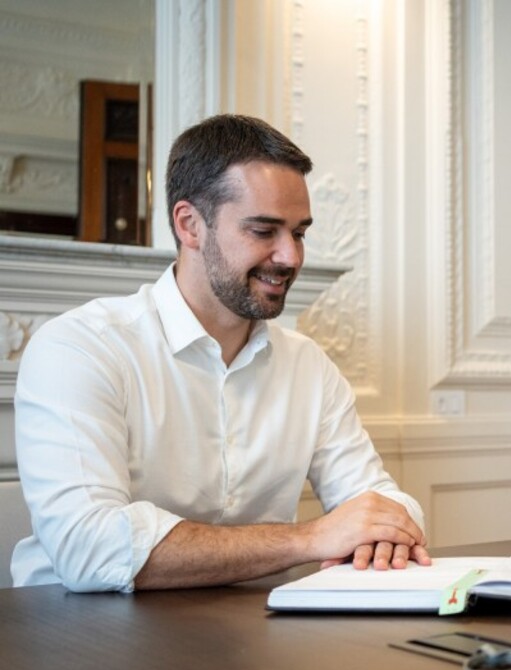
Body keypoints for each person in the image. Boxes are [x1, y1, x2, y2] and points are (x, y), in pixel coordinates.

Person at [12, 114, 429, 592]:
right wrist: (308, 539)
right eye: (263, 230)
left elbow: (384, 502)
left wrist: (386, 526)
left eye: (299, 233)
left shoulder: (309, 367)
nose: (291, 257)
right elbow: (90, 549)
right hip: (68, 636)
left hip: (249, 635)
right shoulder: (80, 349)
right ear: (190, 225)